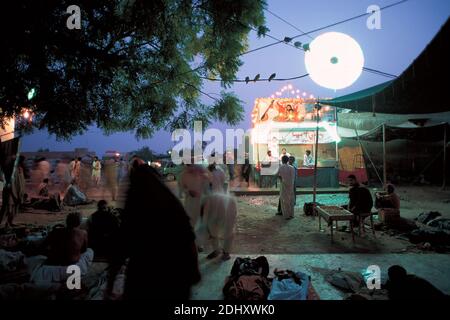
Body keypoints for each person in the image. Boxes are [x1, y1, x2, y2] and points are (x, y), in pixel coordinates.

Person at [120, 163, 201, 299]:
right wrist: (194, 270)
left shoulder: (134, 210)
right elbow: (188, 240)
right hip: (174, 276)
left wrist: (110, 284)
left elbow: (121, 246)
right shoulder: (172, 205)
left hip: (142, 278)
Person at [198, 193, 237, 261]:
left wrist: (209, 231)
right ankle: (217, 250)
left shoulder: (206, 204)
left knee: (228, 231)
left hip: (228, 206)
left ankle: (226, 253)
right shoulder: (205, 204)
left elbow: (205, 221)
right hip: (217, 208)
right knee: (213, 231)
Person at [180, 164, 209, 231]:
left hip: (201, 200)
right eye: (189, 166)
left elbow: (206, 189)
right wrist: (188, 192)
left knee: (201, 219)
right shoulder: (183, 175)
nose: (191, 167)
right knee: (191, 219)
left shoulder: (201, 174)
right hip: (190, 202)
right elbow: (182, 189)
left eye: (192, 165)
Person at [0, 155, 26, 228]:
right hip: (10, 191)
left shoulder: (20, 169)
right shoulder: (10, 169)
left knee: (15, 208)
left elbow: (21, 181)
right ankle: (4, 223)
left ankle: (10, 222)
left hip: (17, 191)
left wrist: (21, 192)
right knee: (8, 207)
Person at [277, 155, 295, 220]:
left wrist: (281, 179)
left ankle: (286, 215)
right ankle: (291, 214)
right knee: (291, 200)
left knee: (284, 200)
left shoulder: (281, 167)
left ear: (282, 160)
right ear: (288, 160)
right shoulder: (292, 168)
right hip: (291, 186)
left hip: (283, 185)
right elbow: (293, 178)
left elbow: (278, 175)